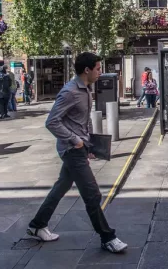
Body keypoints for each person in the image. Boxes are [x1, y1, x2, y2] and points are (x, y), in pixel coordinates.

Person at [27, 52, 127, 253]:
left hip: (79, 148)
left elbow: (83, 120)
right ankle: (108, 237)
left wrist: (89, 144)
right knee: (92, 194)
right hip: (71, 150)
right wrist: (76, 141)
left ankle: (37, 225)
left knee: (61, 187)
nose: (101, 72)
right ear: (87, 70)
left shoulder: (85, 90)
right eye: (98, 68)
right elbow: (52, 121)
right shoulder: (70, 92)